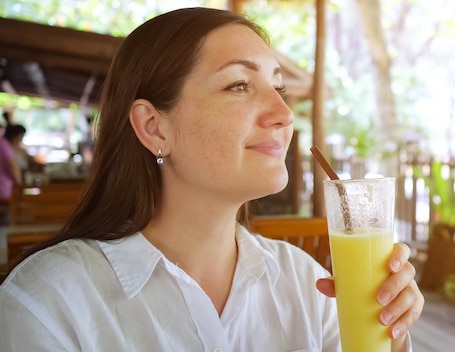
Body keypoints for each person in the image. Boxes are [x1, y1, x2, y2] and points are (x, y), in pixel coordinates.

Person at [0, 8, 424, 351]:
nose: (284, 114)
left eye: (278, 87)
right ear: (154, 127)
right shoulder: (47, 304)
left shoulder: (305, 284)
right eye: (239, 85)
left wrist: (391, 338)